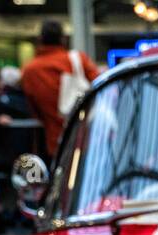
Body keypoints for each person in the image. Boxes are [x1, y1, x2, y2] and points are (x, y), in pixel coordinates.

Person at [21, 20, 100, 159]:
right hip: (90, 136)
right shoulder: (78, 59)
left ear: (40, 39)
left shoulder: (29, 70)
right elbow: (100, 87)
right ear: (63, 39)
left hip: (55, 142)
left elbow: (34, 110)